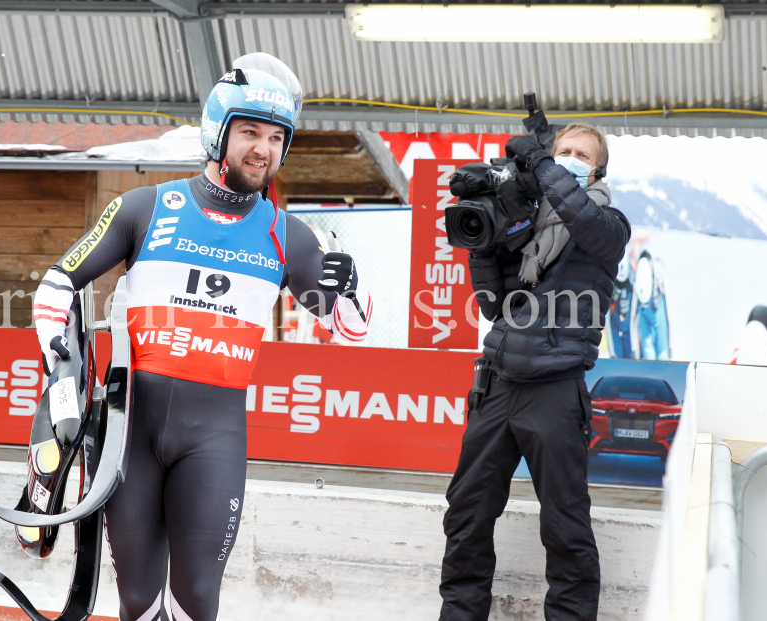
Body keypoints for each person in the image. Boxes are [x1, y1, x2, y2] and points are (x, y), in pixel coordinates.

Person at [32, 53, 372, 621]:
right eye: (248, 132)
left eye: (274, 137)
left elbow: (351, 329)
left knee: (195, 601)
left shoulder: (290, 235)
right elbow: (56, 283)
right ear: (218, 131)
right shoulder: (145, 207)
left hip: (213, 438)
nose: (262, 148)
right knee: (137, 601)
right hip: (128, 431)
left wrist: (354, 286)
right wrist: (62, 368)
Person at [439, 122, 630, 621]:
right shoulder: (525, 222)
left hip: (556, 391)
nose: (569, 157)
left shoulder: (608, 225)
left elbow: (587, 222)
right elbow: (493, 305)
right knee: (467, 516)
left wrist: (543, 165)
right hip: (498, 386)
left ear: (597, 170)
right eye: (562, 149)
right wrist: (487, 234)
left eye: (579, 154)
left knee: (565, 529)